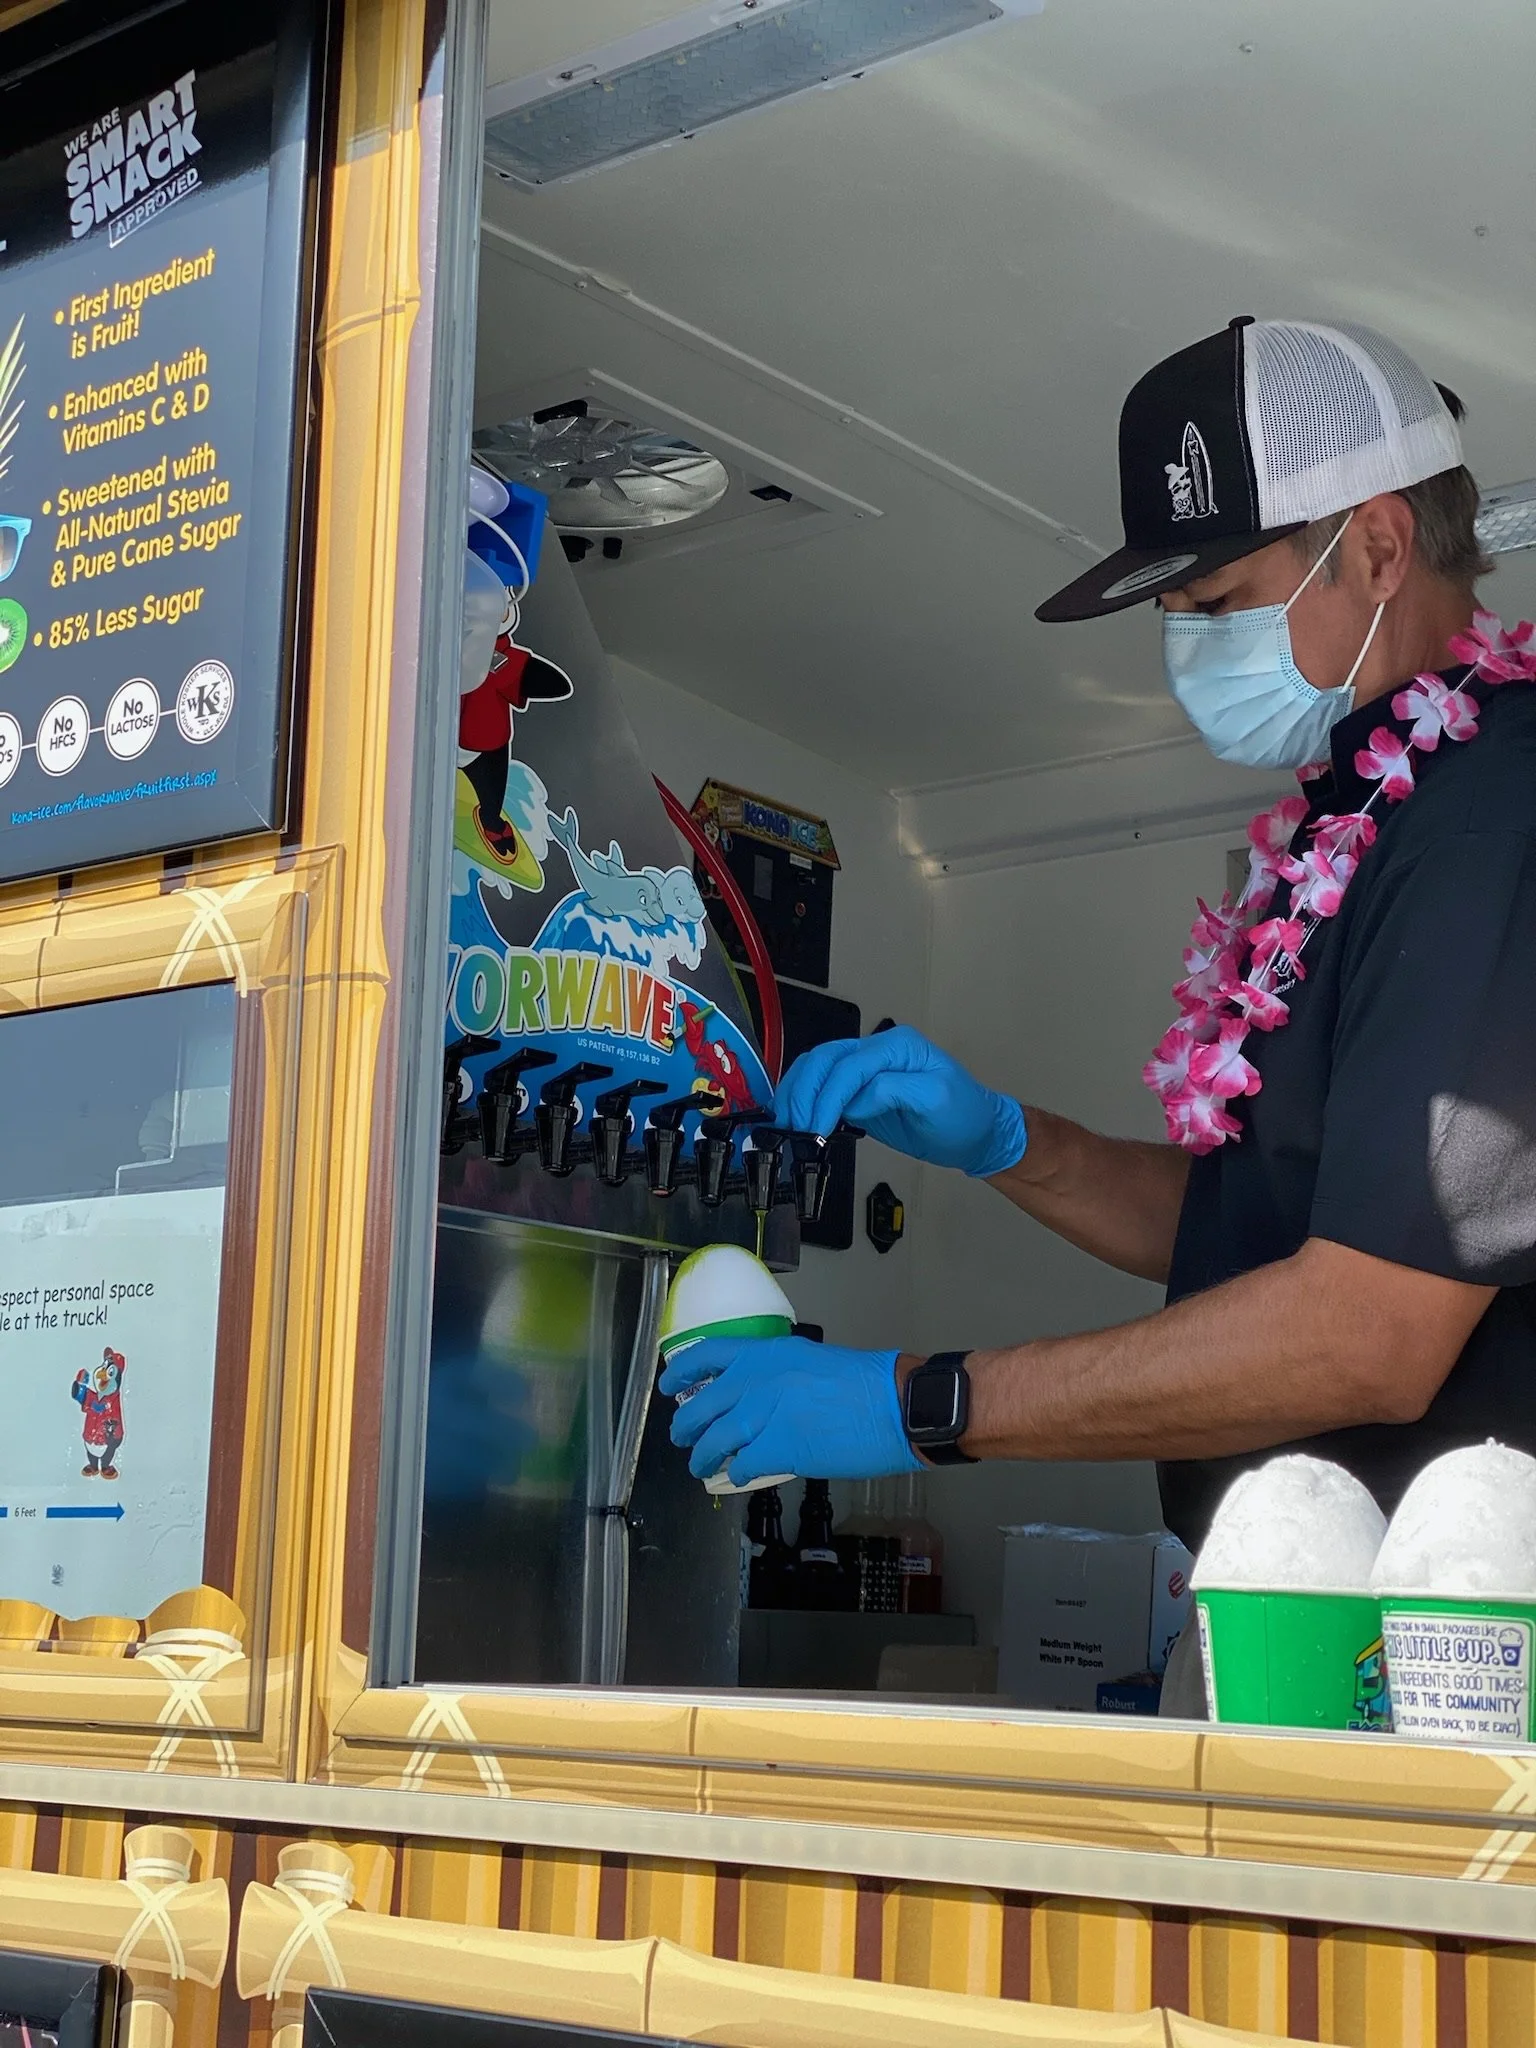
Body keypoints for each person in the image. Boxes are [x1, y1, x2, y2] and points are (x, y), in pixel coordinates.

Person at [662, 318, 1536, 1714]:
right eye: (1172, 615)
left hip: (1437, 1659)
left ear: (1377, 546)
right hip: (1295, 1617)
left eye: (1216, 603)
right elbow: (1243, 1229)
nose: (1185, 649)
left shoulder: (1499, 806)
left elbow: (1370, 1325)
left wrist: (919, 1404)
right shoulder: (1362, 818)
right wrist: (1006, 1140)